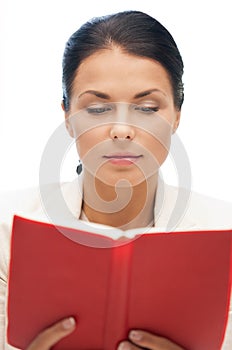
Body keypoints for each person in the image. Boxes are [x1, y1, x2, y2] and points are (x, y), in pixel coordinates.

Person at [0, 10, 231, 350]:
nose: (122, 130)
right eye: (97, 109)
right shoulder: (6, 231)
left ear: (176, 116)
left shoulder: (225, 233)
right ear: (67, 116)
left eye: (148, 108)